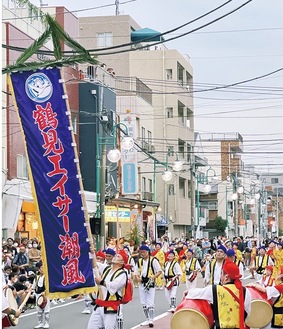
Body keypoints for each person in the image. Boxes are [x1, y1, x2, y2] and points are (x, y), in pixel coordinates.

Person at [184, 259, 251, 329]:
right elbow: (247, 314)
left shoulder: (215, 290)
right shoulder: (245, 291)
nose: (220, 277)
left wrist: (188, 291)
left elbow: (194, 294)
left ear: (226, 277)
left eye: (221, 274)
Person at [87, 252, 128, 329]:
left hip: (110, 307)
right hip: (99, 305)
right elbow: (94, 263)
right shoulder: (106, 269)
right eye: (115, 255)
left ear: (122, 262)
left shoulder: (122, 274)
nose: (115, 256)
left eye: (118, 256)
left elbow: (114, 286)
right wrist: (92, 253)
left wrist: (102, 282)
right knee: (91, 327)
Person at [134, 244, 162, 328]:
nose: (142, 254)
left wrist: (153, 277)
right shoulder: (139, 261)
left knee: (150, 302)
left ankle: (151, 319)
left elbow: (159, 271)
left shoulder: (153, 260)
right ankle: (147, 318)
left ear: (148, 252)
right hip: (142, 282)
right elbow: (136, 272)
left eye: (144, 252)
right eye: (141, 252)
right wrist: (137, 278)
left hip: (150, 282)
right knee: (143, 302)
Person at [32, 261, 50, 329]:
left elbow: (49, 286)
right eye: (41, 267)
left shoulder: (47, 277)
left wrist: (45, 292)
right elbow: (34, 286)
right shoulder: (36, 277)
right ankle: (40, 323)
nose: (43, 269)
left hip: (45, 294)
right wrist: (32, 290)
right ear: (39, 269)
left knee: (46, 310)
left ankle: (46, 323)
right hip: (38, 294)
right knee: (39, 310)